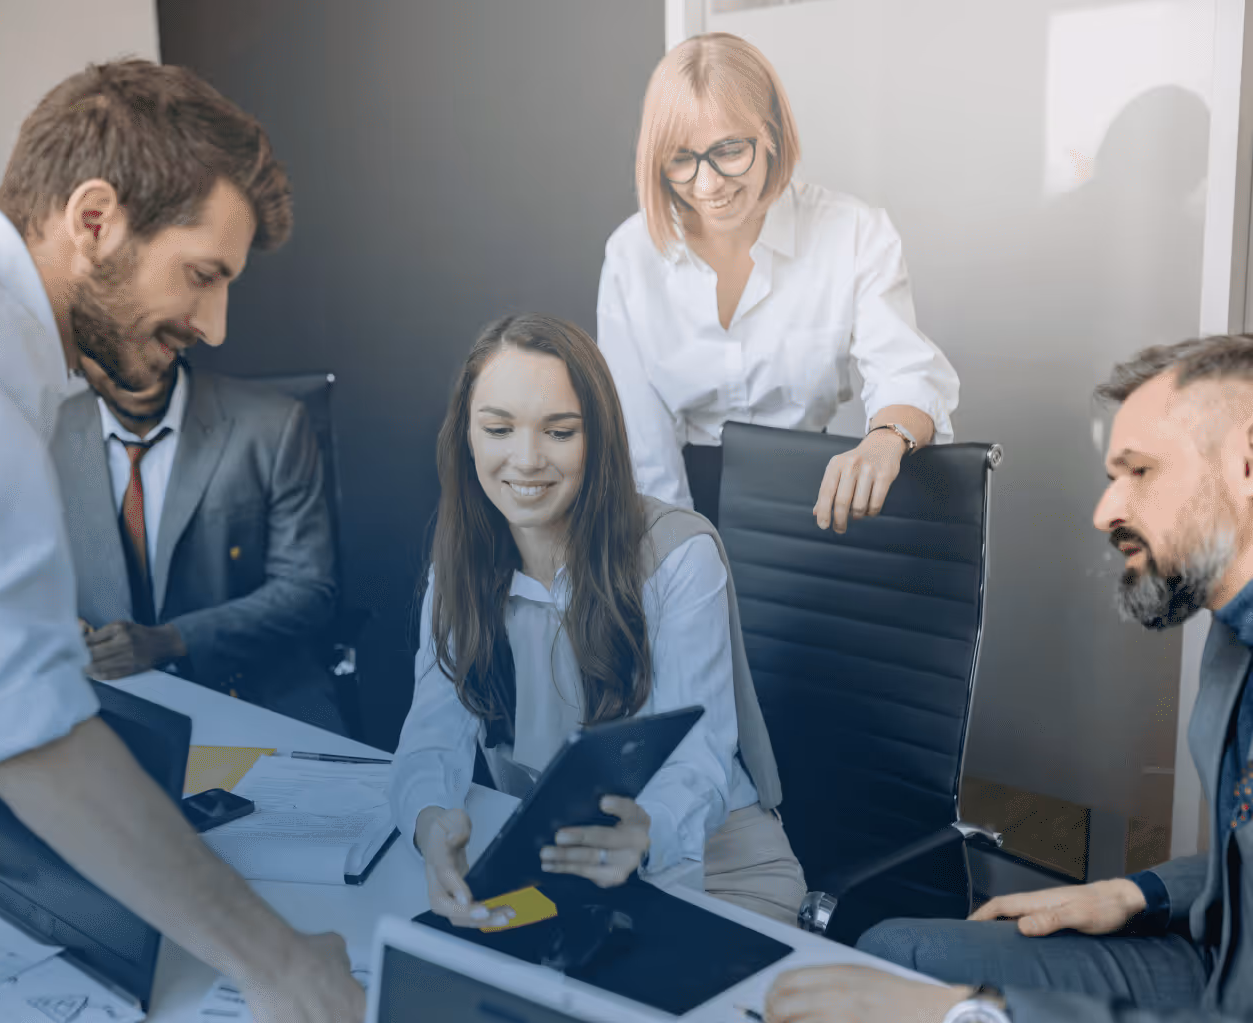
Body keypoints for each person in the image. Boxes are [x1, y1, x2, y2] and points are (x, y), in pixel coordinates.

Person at [0, 60, 361, 1023]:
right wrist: (281, 965)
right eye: (203, 275)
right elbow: (33, 731)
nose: (216, 325)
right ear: (96, 218)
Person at [763, 333, 1253, 1023]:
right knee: (893, 949)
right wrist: (1141, 892)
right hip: (1219, 950)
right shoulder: (1234, 631)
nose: (1104, 510)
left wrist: (981, 1014)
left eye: (1139, 471)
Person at [390, 312, 805, 928]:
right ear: (467, 438)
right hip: (565, 871)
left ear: (598, 439)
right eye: (499, 428)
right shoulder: (459, 566)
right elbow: (430, 737)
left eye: (559, 433)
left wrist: (645, 831)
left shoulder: (678, 554)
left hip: (717, 869)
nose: (526, 460)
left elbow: (700, 759)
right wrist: (430, 827)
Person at [597, 32, 959, 532]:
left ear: (771, 133)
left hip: (818, 502)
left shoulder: (852, 232)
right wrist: (676, 550)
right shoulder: (630, 255)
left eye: (728, 150)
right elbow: (643, 447)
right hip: (677, 499)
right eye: (682, 159)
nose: (708, 185)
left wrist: (882, 443)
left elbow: (906, 372)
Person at [51, 351, 346, 734]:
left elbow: (308, 589)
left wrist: (171, 640)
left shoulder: (274, 423)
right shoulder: (43, 436)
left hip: (257, 698)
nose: (135, 365)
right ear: (77, 361)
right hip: (105, 712)